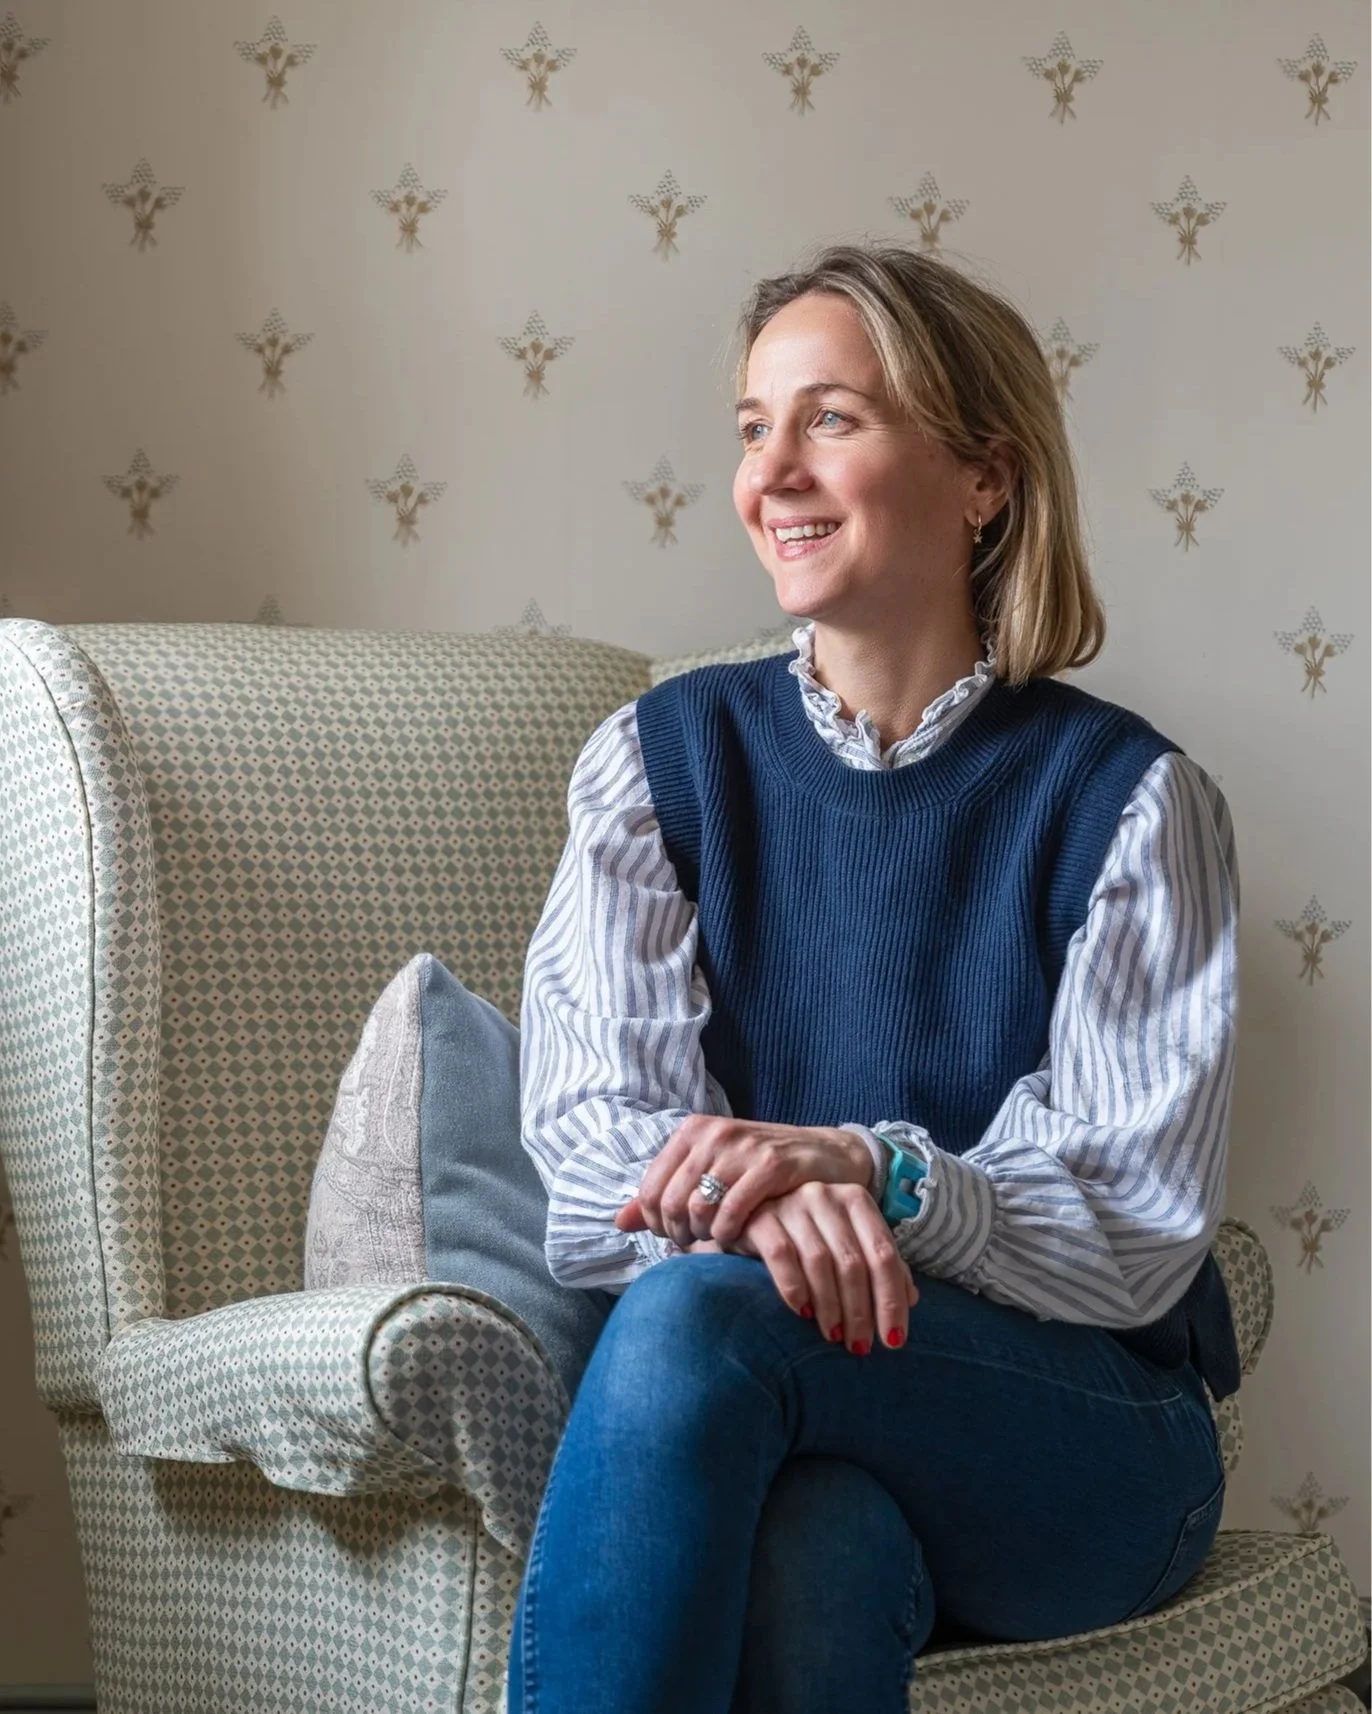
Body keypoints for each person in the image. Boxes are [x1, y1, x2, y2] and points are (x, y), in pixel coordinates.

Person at [507, 242, 1240, 1714]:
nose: (771, 472)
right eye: (752, 427)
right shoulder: (656, 765)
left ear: (985, 478)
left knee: (702, 1316)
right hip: (806, 1414)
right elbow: (591, 1166)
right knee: (817, 1547)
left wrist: (879, 1176)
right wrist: (785, 1198)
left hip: (1084, 1440)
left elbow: (1131, 1227)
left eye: (830, 418)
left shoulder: (1130, 800)